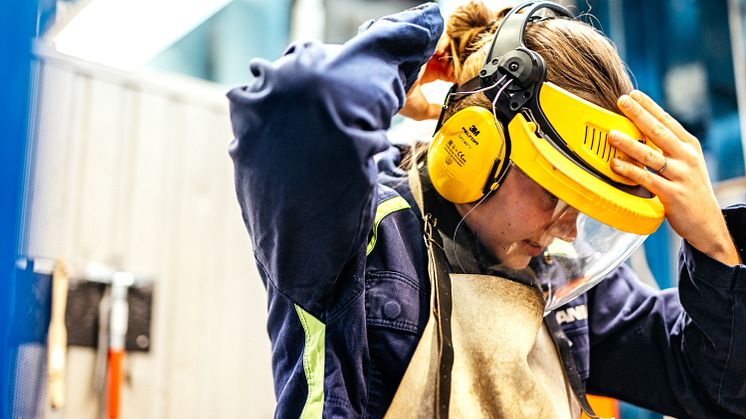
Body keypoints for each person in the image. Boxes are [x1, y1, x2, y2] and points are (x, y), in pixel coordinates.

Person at [227, 1, 746, 418]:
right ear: (478, 141)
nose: (568, 231)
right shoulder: (357, 232)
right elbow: (299, 99)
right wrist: (424, 41)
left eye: (586, 206)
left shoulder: (558, 278)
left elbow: (715, 388)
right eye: (557, 191)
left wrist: (715, 245)